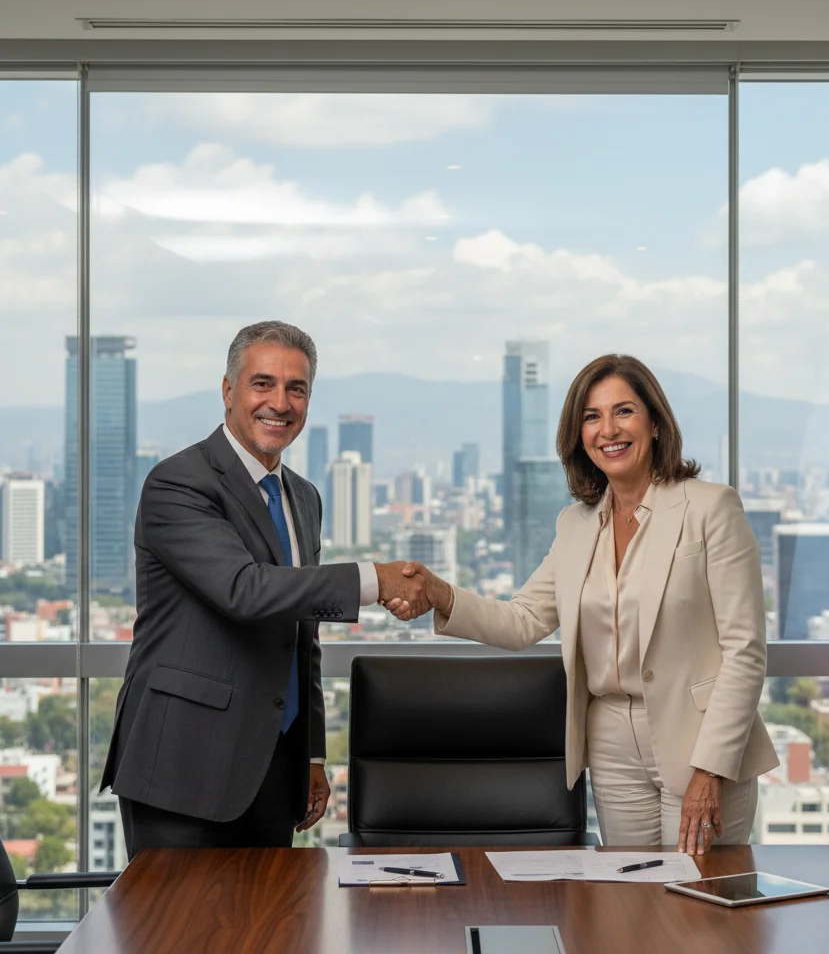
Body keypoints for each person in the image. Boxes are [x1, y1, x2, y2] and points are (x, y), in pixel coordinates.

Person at [392, 354, 778, 854]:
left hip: (699, 738)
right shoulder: (575, 525)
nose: (608, 430)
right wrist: (440, 593)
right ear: (579, 435)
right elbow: (523, 619)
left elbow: (745, 650)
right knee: (631, 895)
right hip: (612, 742)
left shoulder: (710, 507)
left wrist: (712, 768)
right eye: (592, 417)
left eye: (624, 411)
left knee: (698, 896)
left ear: (655, 422)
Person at [100, 321, 427, 857]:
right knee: (175, 915)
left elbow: (302, 636)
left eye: (296, 388)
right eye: (262, 384)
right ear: (228, 391)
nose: (280, 402)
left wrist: (311, 755)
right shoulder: (178, 482)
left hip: (273, 769)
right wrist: (376, 579)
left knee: (270, 913)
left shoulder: (304, 497)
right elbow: (245, 590)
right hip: (183, 767)